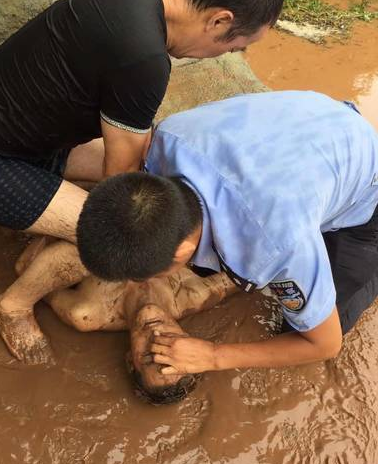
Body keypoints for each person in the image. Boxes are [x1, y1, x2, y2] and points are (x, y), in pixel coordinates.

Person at [0, 0, 285, 363]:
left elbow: (143, 153)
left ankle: (26, 214)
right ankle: (12, 305)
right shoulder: (143, 58)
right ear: (218, 20)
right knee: (116, 237)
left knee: (158, 155)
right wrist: (154, 249)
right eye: (234, 46)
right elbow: (122, 202)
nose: (223, 55)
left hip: (17, 137)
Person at [70, 90, 378, 375]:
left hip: (363, 181)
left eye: (140, 275)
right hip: (317, 122)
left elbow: (325, 345)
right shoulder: (168, 138)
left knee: (298, 331)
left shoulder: (276, 242)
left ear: (180, 252)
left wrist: (213, 355)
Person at [11, 240, 238, 403]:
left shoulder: (86, 312)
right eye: (172, 345)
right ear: (189, 340)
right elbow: (258, 272)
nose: (156, 336)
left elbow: (25, 265)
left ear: (130, 360)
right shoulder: (196, 294)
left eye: (149, 356)